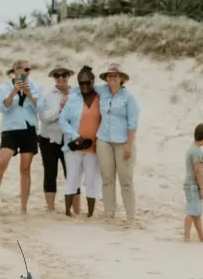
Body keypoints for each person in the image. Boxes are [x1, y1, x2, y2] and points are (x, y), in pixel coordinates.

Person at [0, 58, 44, 216]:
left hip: (29, 128)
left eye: (28, 70)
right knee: (2, 162)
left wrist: (29, 94)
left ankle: (23, 207)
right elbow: (3, 108)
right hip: (11, 128)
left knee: (25, 167)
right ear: (15, 70)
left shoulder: (36, 87)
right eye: (24, 70)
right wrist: (14, 91)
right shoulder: (5, 87)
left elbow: (40, 108)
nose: (26, 73)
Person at [94, 63, 140, 222]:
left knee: (125, 178)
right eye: (109, 76)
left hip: (123, 142)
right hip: (104, 139)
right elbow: (85, 88)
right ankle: (109, 211)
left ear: (121, 78)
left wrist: (129, 144)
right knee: (107, 177)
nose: (112, 78)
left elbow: (132, 122)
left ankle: (130, 214)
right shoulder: (102, 91)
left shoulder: (128, 98)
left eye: (115, 75)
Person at [59, 66, 103, 218]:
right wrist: (75, 136)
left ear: (92, 82)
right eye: (81, 83)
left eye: (87, 83)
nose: (84, 86)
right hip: (74, 146)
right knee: (72, 177)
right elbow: (62, 120)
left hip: (93, 146)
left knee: (91, 179)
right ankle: (67, 211)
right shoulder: (72, 98)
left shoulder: (100, 98)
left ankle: (90, 213)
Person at [37, 66, 73, 212]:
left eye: (64, 75)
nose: (61, 78)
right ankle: (51, 208)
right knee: (50, 172)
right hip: (48, 138)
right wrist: (60, 109)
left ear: (68, 76)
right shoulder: (48, 96)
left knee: (71, 173)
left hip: (70, 139)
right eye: (57, 76)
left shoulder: (76, 93)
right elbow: (44, 118)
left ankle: (72, 209)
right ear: (54, 78)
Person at [183, 123, 203, 242]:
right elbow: (198, 170)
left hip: (191, 184)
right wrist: (202, 187)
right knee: (192, 212)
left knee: (196, 212)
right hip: (193, 185)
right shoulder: (197, 152)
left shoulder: (192, 149)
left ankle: (202, 236)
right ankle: (186, 236)